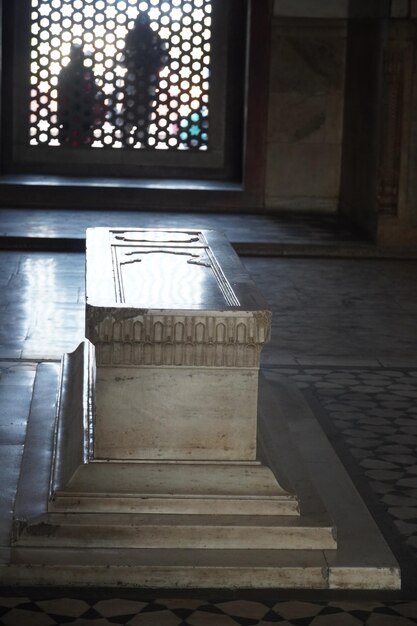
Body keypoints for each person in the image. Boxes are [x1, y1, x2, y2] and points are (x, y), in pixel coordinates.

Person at [119, 13, 168, 147]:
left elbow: (122, 60)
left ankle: (129, 139)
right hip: (145, 80)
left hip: (136, 79)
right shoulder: (154, 38)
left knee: (132, 108)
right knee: (143, 109)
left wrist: (136, 64)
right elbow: (163, 60)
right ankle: (140, 140)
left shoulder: (132, 37)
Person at [57, 44, 103, 147]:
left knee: (76, 138)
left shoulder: (66, 72)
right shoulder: (69, 72)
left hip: (77, 111)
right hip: (75, 111)